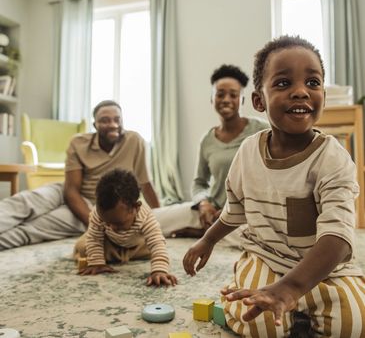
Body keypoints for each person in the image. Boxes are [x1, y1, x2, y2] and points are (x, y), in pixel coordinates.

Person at [183, 36, 365, 337]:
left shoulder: (332, 157)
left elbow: (339, 237)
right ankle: (277, 297)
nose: (300, 92)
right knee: (258, 324)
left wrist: (291, 287)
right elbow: (235, 210)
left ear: (323, 94)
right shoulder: (248, 152)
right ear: (259, 101)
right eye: (283, 84)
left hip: (325, 267)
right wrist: (208, 240)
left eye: (313, 82)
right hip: (267, 257)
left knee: (354, 323)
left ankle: (298, 302)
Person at [0, 100, 160, 250]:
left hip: (98, 207)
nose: (113, 124)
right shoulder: (79, 142)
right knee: (23, 201)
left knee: (33, 228)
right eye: (105, 120)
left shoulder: (134, 141)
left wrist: (159, 217)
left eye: (117, 119)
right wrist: (93, 223)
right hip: (69, 192)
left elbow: (146, 185)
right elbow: (71, 191)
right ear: (95, 125)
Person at [154, 64, 268, 242]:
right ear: (212, 99)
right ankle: (208, 229)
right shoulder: (208, 140)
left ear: (243, 100)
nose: (226, 99)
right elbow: (199, 183)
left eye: (233, 95)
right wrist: (203, 203)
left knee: (253, 239)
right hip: (213, 211)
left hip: (245, 216)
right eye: (220, 94)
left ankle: (209, 233)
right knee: (151, 220)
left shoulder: (262, 130)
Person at [74, 169, 177, 287]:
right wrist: (97, 263)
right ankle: (110, 256)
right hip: (109, 243)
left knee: (156, 248)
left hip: (136, 246)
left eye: (118, 223)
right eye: (106, 222)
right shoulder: (98, 213)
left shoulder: (145, 217)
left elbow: (157, 243)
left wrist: (159, 271)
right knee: (82, 246)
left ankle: (117, 257)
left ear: (136, 207)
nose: (112, 227)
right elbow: (95, 239)